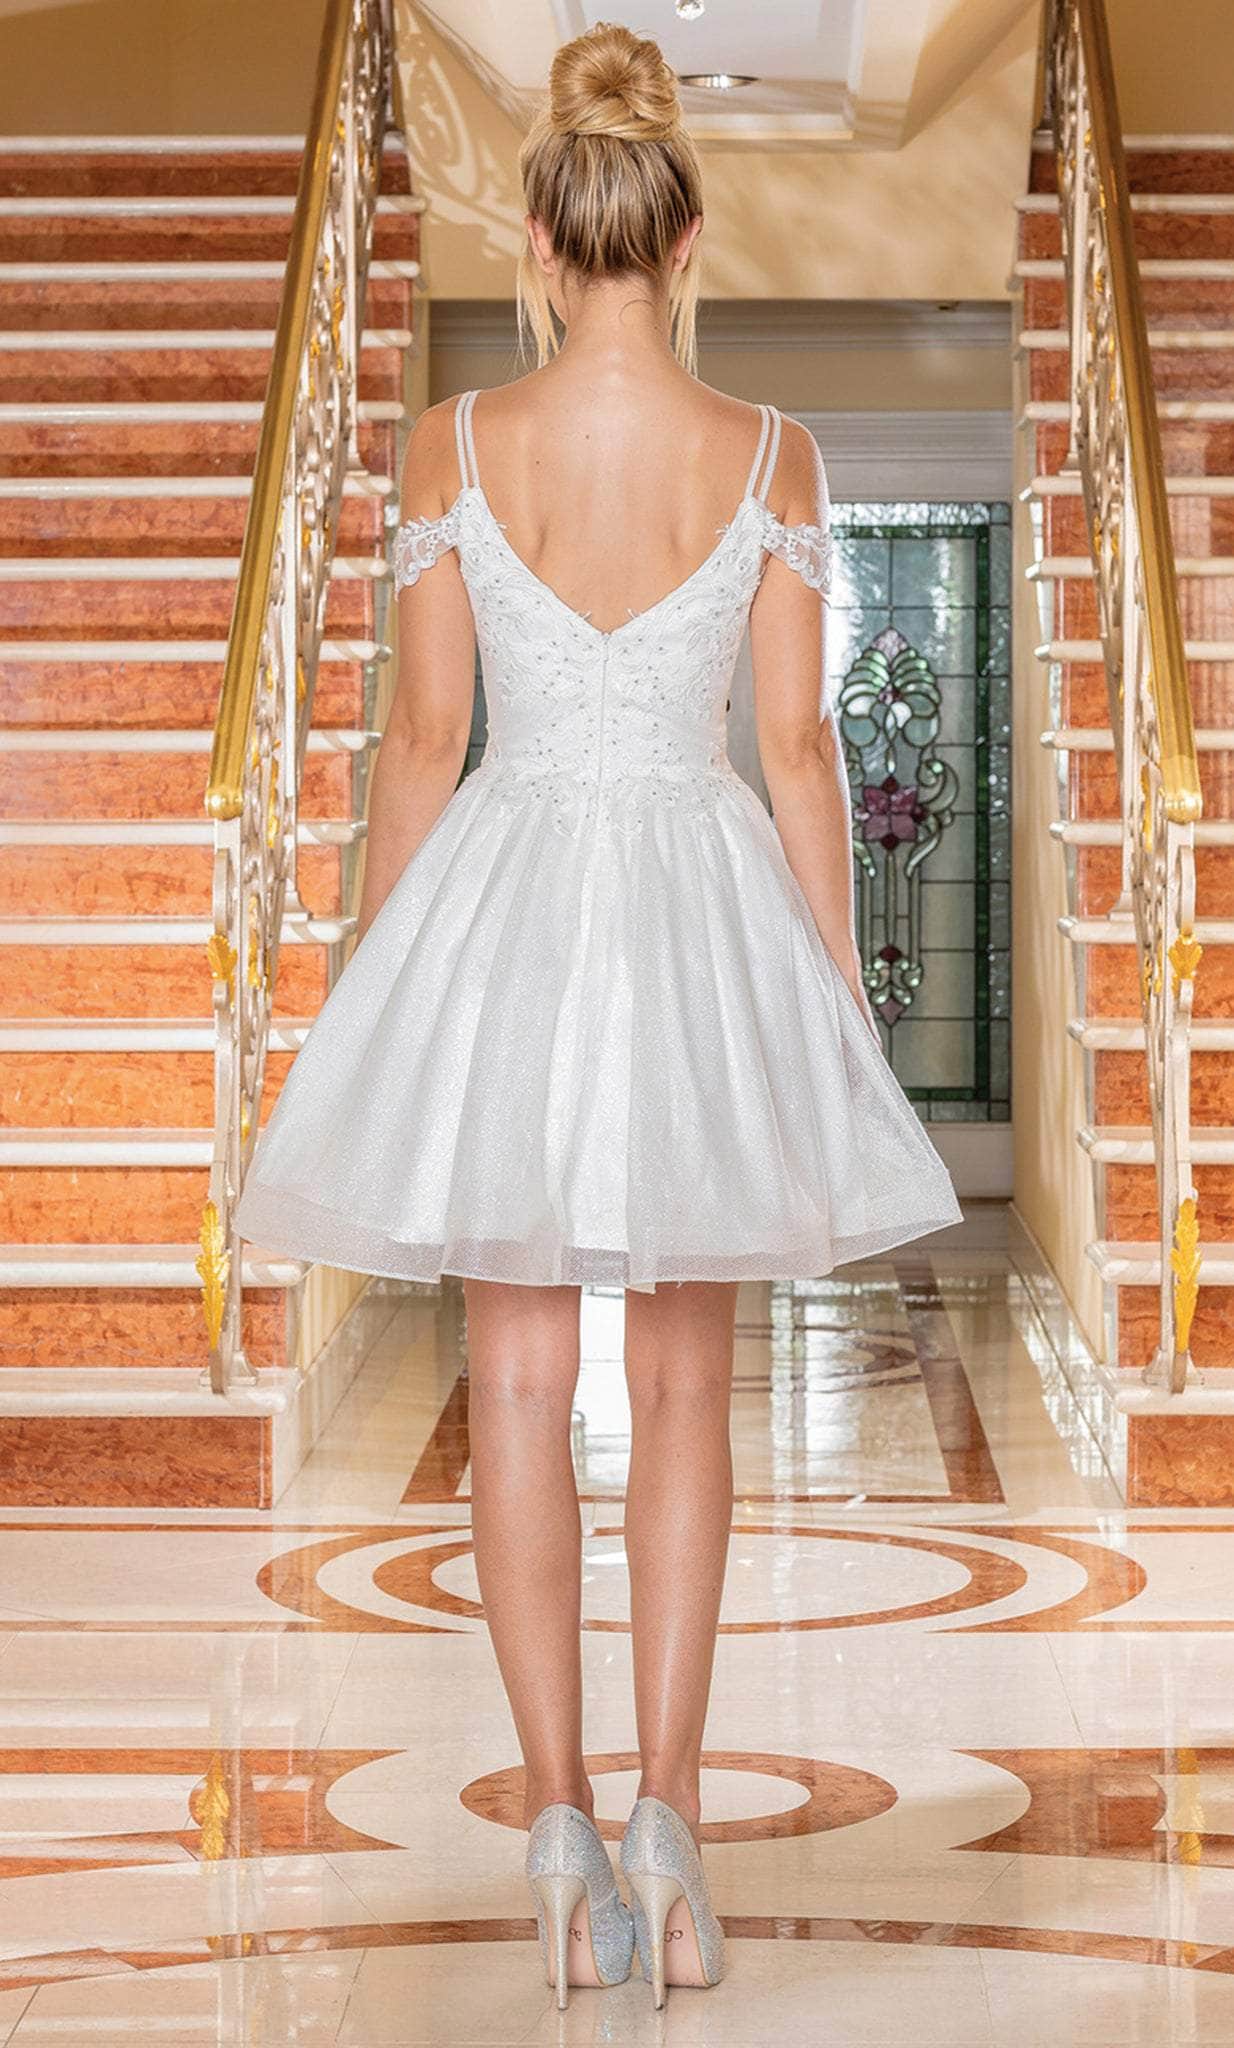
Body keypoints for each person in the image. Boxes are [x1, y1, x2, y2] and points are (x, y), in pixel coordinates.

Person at [236, 17, 961, 2011]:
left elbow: (420, 745)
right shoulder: (775, 453)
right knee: (684, 1398)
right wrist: (833, 1000)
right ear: (684, 233)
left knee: (515, 1392)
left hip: (509, 918)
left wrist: (374, 992)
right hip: (700, 916)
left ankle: (556, 1827)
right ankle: (668, 1826)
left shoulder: (453, 446)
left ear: (543, 244)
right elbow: (795, 752)